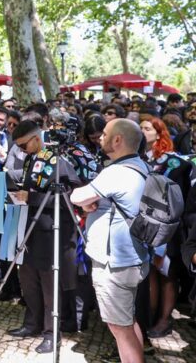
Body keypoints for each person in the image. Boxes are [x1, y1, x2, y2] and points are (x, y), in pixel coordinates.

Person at [71, 119, 150, 363]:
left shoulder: (116, 172)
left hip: (115, 263)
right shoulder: (140, 166)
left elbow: (78, 196)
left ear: (118, 140)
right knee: (128, 319)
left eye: (105, 134)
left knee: (120, 328)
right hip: (133, 256)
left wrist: (87, 202)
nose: (100, 138)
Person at [7, 120, 81, 354]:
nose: (20, 151)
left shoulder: (59, 161)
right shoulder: (30, 158)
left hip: (52, 230)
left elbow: (69, 197)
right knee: (28, 279)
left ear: (36, 138)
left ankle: (52, 333)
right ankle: (32, 323)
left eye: (22, 145)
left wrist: (32, 198)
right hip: (29, 227)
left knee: (50, 286)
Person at [139, 116, 193, 339]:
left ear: (159, 133)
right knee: (150, 271)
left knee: (167, 274)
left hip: (168, 228)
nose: (142, 131)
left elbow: (180, 199)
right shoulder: (140, 159)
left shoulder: (176, 163)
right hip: (144, 225)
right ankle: (149, 317)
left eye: (147, 128)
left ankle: (164, 319)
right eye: (140, 128)